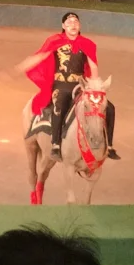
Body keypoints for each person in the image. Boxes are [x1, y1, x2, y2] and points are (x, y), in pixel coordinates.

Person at [16, 12, 118, 161]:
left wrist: (94, 87)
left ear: (80, 26)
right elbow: (41, 56)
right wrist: (22, 66)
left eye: (76, 22)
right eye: (69, 22)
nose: (73, 25)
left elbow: (93, 67)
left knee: (109, 108)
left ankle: (109, 146)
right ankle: (56, 144)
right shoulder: (55, 41)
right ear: (63, 26)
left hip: (80, 86)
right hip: (60, 85)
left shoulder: (87, 44)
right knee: (59, 106)